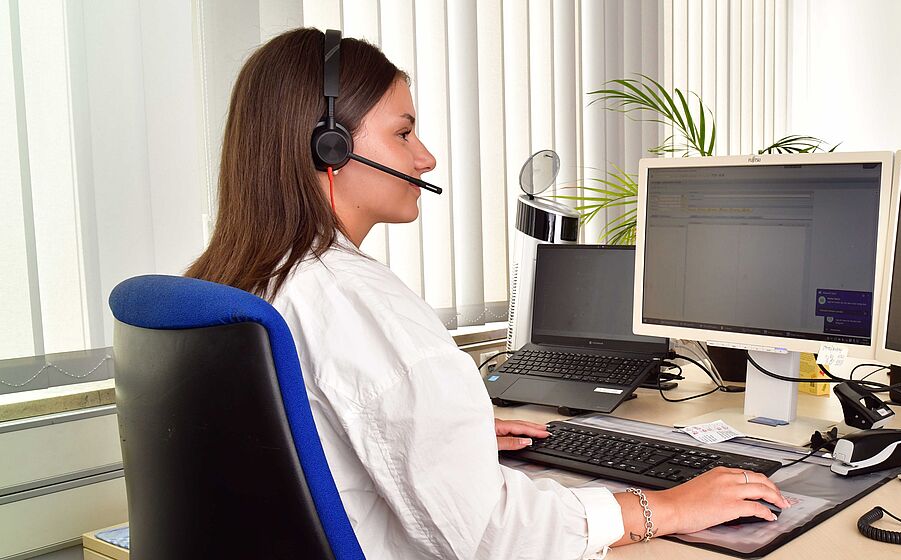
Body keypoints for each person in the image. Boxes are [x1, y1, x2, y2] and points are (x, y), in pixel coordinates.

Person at [185, 28, 789, 559]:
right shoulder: (351, 298)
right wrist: (662, 508)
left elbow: (315, 443)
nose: (426, 157)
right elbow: (488, 537)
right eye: (404, 133)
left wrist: (447, 436)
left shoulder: (237, 282)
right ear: (330, 147)